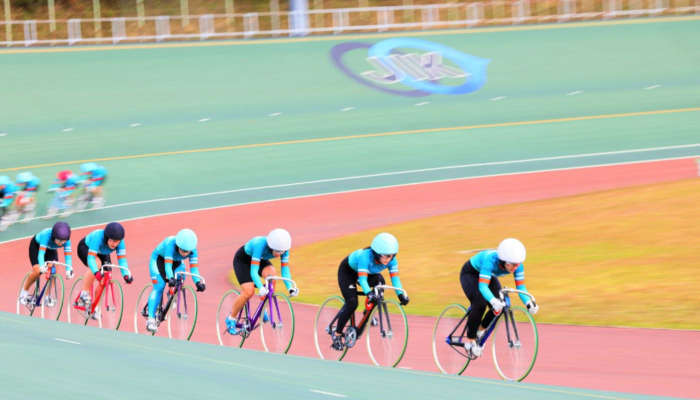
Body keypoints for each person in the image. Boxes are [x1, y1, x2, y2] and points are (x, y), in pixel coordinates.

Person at [460, 238, 538, 357]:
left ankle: (479, 331)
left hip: (488, 275)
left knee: (500, 306)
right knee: (480, 303)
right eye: (511, 264)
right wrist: (492, 300)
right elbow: (483, 287)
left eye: (517, 264)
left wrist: (528, 303)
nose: (515, 267)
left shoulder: (517, 265)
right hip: (471, 274)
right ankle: (470, 341)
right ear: (502, 260)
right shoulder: (490, 260)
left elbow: (521, 288)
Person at [331, 232, 409, 350]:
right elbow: (363, 280)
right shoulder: (365, 256)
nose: (389, 259)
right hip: (348, 272)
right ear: (377, 253)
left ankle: (367, 312)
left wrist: (401, 295)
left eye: (392, 256)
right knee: (352, 302)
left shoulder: (392, 261)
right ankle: (336, 335)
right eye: (386, 256)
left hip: (368, 273)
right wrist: (369, 293)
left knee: (380, 284)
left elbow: (395, 279)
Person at [225, 228, 298, 334]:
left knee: (272, 276)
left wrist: (290, 288)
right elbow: (253, 271)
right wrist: (260, 287)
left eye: (282, 252)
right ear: (270, 246)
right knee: (249, 291)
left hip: (260, 260)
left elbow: (285, 271)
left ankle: (263, 309)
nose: (279, 254)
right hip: (243, 260)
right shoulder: (260, 244)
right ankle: (231, 318)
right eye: (277, 251)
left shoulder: (284, 249)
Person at [144, 229, 205, 333]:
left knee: (181, 276)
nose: (185, 254)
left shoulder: (193, 250)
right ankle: (150, 320)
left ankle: (170, 294)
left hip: (176, 262)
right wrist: (171, 278)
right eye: (183, 251)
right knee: (160, 286)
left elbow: (194, 269)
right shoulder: (170, 243)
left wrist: (198, 282)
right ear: (178, 245)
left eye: (187, 252)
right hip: (159, 260)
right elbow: (168, 265)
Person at [75, 222, 133, 309]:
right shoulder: (98, 237)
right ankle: (84, 293)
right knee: (97, 264)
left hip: (102, 252)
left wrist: (126, 275)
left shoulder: (120, 242)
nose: (115, 244)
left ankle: (95, 308)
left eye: (117, 241)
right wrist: (96, 272)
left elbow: (122, 261)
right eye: (113, 240)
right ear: (106, 238)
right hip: (86, 248)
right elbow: (91, 259)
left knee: (107, 276)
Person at [19, 222, 74, 305]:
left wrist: (68, 270)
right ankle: (23, 293)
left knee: (54, 271)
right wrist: (41, 266)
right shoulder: (46, 235)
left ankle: (47, 298)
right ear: (54, 236)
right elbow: (41, 254)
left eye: (64, 241)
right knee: (37, 271)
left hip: (51, 250)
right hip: (37, 247)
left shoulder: (67, 241)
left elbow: (68, 257)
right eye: (59, 240)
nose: (61, 243)